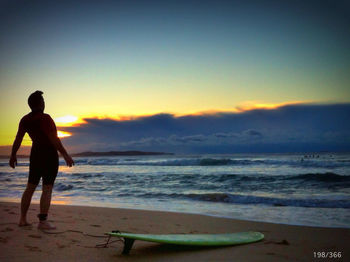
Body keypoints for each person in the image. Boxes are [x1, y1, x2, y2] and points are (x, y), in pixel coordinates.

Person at [9, 91, 74, 230]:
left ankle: (22, 219)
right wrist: (65, 154)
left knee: (30, 186)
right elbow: (54, 139)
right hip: (48, 155)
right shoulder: (45, 118)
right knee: (47, 188)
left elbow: (18, 139)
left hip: (35, 154)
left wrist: (13, 155)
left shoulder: (25, 119)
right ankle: (43, 222)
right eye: (43, 101)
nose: (44, 103)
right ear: (41, 103)